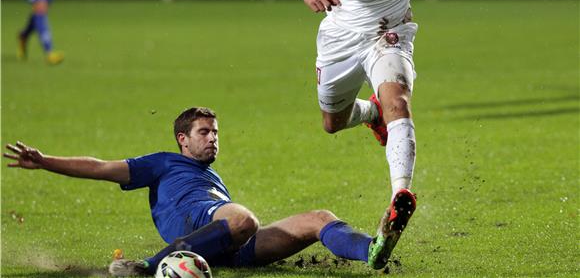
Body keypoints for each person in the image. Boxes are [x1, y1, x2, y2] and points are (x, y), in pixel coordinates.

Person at [282, 0, 515, 263]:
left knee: (399, 100)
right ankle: (371, 115)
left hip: (389, 33)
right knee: (331, 123)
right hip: (339, 35)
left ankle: (398, 196)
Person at [3, 107, 407, 276]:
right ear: (182, 138)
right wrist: (44, 160)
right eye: (204, 132)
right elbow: (100, 167)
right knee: (243, 217)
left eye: (215, 132)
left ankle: (372, 249)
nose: (213, 138)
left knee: (319, 218)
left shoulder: (212, 176)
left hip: (234, 236)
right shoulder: (162, 163)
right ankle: (148, 267)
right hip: (212, 225)